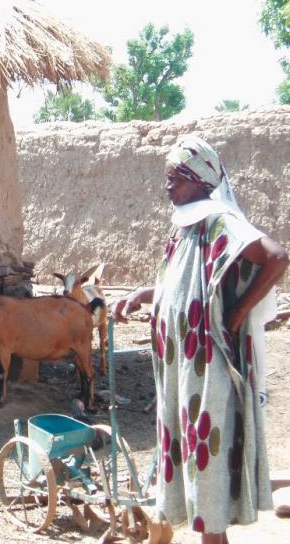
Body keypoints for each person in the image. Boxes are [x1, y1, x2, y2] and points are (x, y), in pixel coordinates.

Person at [113, 135, 288, 544]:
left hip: (209, 368)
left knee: (206, 462)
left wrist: (239, 311)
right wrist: (144, 294)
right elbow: (187, 285)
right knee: (192, 458)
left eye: (175, 177)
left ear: (199, 179)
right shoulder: (186, 230)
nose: (167, 186)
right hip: (184, 370)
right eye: (167, 177)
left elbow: (277, 257)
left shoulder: (220, 223)